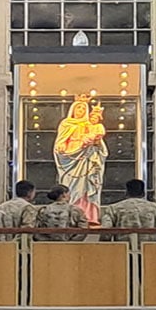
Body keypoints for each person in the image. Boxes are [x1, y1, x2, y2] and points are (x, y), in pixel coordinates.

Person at [53, 95, 108, 225]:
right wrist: (61, 146)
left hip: (87, 158)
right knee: (71, 187)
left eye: (83, 109)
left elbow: (100, 145)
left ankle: (90, 215)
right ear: (72, 110)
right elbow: (60, 141)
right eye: (78, 109)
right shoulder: (66, 123)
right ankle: (72, 216)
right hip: (71, 157)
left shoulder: (91, 125)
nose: (81, 112)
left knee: (87, 186)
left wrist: (95, 142)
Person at [101, 179, 156, 243]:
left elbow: (106, 233)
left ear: (126, 192)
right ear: (143, 193)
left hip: (123, 249)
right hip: (149, 250)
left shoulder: (113, 208)